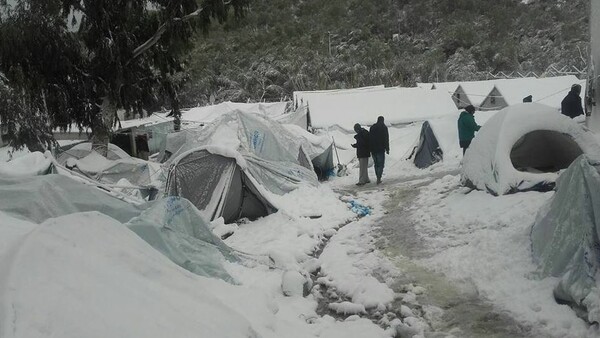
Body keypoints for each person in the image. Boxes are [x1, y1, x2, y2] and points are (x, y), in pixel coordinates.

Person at [369, 116, 389, 184]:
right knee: (381, 164)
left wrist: (370, 148)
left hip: (373, 150)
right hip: (380, 149)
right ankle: (378, 178)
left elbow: (370, 138)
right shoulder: (384, 127)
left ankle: (377, 176)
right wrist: (387, 148)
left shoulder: (372, 127)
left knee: (376, 164)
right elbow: (386, 139)